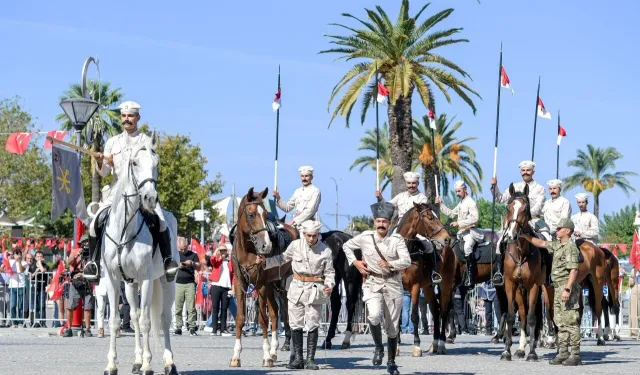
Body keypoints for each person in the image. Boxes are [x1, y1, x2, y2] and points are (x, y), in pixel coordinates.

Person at [85, 100, 178, 282]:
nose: (127, 119)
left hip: (142, 194)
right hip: (116, 193)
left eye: (130, 116)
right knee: (95, 221)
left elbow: (152, 164)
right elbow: (104, 172)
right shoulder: (112, 142)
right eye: (124, 116)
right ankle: (94, 263)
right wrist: (100, 161)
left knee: (161, 222)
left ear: (138, 118)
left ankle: (167, 261)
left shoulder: (145, 140)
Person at [342, 202, 411, 375]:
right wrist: (355, 262)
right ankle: (379, 347)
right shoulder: (365, 237)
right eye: (378, 221)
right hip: (372, 282)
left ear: (390, 223)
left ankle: (391, 361)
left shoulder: (397, 240)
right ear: (374, 222)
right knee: (373, 315)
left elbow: (407, 261)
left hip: (393, 284)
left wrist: (390, 263)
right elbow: (347, 246)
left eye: (384, 221)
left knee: (393, 327)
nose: (381, 224)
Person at [256, 220, 334, 370]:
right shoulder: (295, 245)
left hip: (314, 288)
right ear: (304, 234)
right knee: (295, 323)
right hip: (296, 287)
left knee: (312, 323)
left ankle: (310, 359)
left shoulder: (325, 250)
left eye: (314, 235)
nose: (311, 238)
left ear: (318, 234)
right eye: (308, 235)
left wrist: (328, 285)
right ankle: (298, 359)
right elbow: (282, 259)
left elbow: (330, 272)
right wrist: (266, 262)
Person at [519, 218, 582, 366]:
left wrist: (567, 288)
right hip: (558, 287)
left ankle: (575, 355)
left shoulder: (570, 247)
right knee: (560, 321)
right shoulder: (558, 245)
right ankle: (563, 353)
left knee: (571, 322)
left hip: (567, 288)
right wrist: (526, 237)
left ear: (567, 230)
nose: (556, 230)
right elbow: (541, 243)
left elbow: (574, 270)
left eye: (559, 228)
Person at [376, 171, 441, 284]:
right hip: (399, 227)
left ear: (418, 183)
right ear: (406, 184)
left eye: (414, 183)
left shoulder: (422, 198)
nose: (411, 185)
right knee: (384, 243)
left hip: (416, 229)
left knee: (429, 246)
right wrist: (381, 198)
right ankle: (382, 270)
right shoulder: (400, 196)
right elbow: (388, 205)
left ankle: (433, 272)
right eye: (409, 183)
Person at [490, 160, 548, 285]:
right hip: (514, 223)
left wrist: (524, 214)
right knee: (499, 242)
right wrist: (494, 187)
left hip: (533, 221)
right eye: (523, 170)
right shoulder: (514, 186)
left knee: (547, 241)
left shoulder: (540, 189)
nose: (525, 172)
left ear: (533, 172)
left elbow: (539, 206)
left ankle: (548, 275)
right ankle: (499, 272)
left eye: (528, 170)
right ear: (520, 172)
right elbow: (499, 199)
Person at [436, 180, 482, 287]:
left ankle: (471, 276)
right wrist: (441, 204)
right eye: (456, 192)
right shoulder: (461, 203)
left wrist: (459, 223)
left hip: (471, 232)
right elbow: (451, 213)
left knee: (467, 248)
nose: (457, 194)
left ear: (465, 190)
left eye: (459, 191)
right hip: (461, 233)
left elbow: (475, 218)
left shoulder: (471, 202)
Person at [273, 165, 321, 230]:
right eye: (302, 176)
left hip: (308, 227)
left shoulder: (315, 191)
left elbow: (310, 211)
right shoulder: (297, 191)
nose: (304, 178)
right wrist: (278, 198)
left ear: (311, 177)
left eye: (306, 176)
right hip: (295, 226)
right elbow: (287, 208)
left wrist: (293, 221)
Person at [174, 237, 199, 336]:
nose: (183, 250)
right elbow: (171, 266)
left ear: (188, 246)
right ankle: (178, 327)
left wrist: (192, 263)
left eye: (184, 248)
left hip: (190, 283)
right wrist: (178, 266)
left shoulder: (193, 255)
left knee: (191, 307)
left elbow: (199, 266)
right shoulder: (176, 255)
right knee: (178, 307)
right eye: (181, 249)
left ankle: (192, 327)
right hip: (178, 283)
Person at [210, 239, 234, 337]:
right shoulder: (217, 261)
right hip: (216, 286)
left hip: (226, 288)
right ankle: (214, 329)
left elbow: (233, 276)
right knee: (215, 308)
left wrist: (233, 288)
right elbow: (212, 259)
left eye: (224, 250)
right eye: (222, 250)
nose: (223, 252)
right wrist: (217, 250)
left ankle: (223, 329)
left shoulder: (230, 262)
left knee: (225, 308)